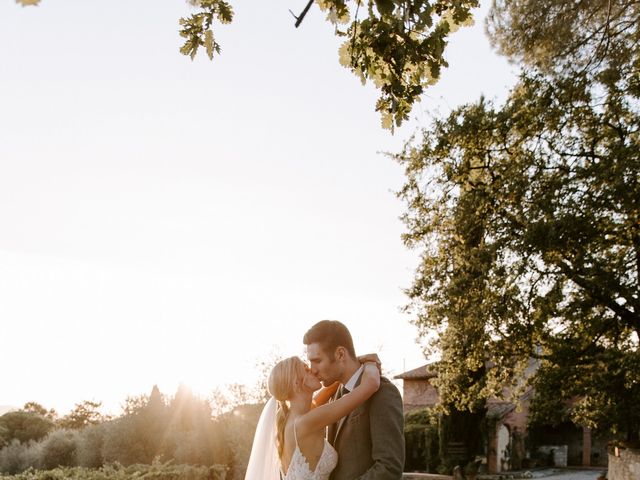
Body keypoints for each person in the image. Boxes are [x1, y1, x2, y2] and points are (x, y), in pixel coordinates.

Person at [244, 355, 381, 480]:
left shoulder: (296, 417)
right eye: (306, 369)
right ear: (297, 384)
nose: (313, 371)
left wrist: (354, 361)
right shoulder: (305, 423)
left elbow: (333, 383)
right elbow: (370, 385)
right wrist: (370, 364)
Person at [303, 320, 405, 480]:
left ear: (340, 354)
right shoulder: (334, 394)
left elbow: (389, 468)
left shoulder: (383, 393)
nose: (313, 370)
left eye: (317, 361)